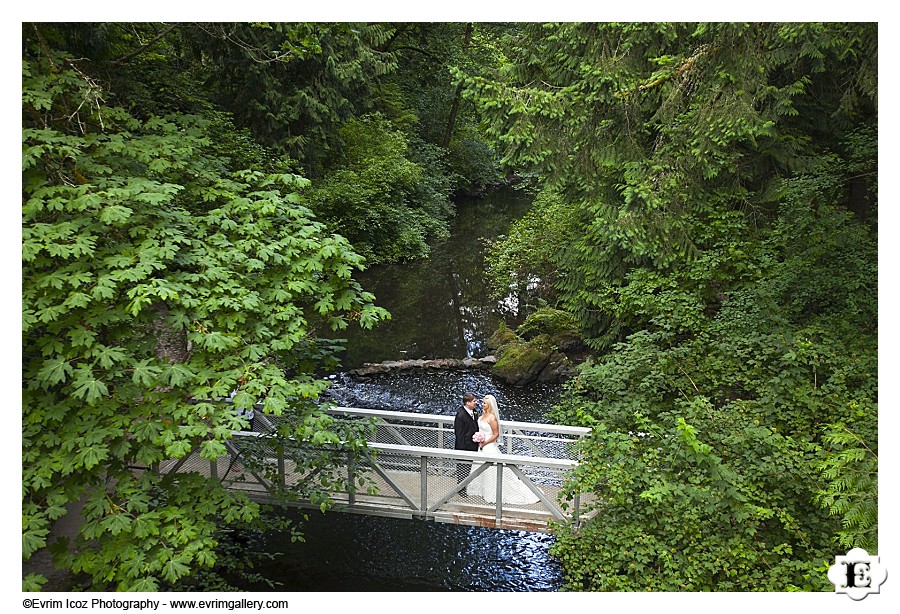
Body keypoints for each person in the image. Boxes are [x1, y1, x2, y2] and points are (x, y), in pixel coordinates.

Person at [468, 394, 540, 504]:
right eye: (482, 402)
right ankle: (481, 490)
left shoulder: (492, 417)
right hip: (481, 445)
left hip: (488, 446)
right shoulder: (482, 415)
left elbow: (496, 434)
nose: (482, 404)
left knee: (491, 469)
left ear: (490, 405)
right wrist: (479, 438)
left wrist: (485, 442)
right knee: (480, 466)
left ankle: (492, 493)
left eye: (484, 403)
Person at [453, 392, 480, 496]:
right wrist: (462, 451)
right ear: (467, 403)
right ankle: (461, 489)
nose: (476, 403)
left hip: (473, 445)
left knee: (469, 467)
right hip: (464, 447)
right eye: (474, 401)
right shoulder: (460, 415)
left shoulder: (474, 411)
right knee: (462, 467)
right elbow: (459, 434)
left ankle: (467, 485)